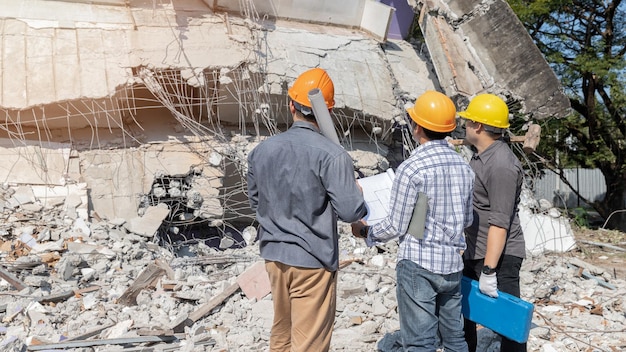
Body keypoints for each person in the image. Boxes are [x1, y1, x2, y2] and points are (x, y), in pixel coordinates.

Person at [246, 67, 367, 352]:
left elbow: (256, 203)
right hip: (313, 261)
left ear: (291, 105)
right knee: (309, 342)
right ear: (328, 111)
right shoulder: (332, 154)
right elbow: (351, 212)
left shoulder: (262, 151)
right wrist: (356, 192)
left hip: (274, 257)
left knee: (283, 332)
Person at [351, 90, 474, 352]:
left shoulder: (412, 167)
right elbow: (466, 219)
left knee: (419, 342)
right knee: (454, 340)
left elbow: (396, 225)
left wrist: (365, 231)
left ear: (417, 126)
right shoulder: (464, 167)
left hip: (418, 262)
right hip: (452, 264)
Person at [458, 93, 526, 352]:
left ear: (478, 126)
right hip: (477, 252)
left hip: (499, 257)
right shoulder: (480, 156)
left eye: (468, 121)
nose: (464, 126)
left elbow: (500, 222)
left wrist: (488, 271)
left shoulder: (501, 165)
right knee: (465, 323)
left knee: (509, 331)